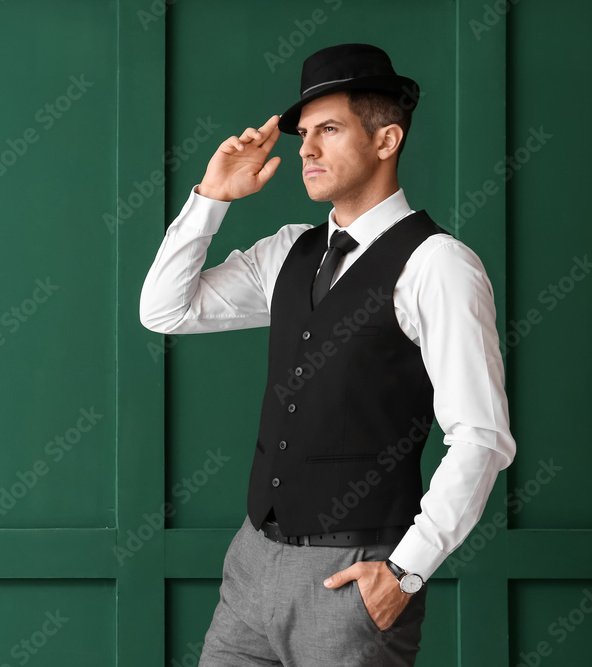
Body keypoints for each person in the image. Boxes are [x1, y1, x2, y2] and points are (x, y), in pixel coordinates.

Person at [139, 43, 516, 666]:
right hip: (252, 562)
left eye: (329, 130)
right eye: (303, 134)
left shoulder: (438, 264)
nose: (305, 150)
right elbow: (164, 310)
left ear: (387, 139)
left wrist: (406, 571)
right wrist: (212, 197)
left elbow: (481, 436)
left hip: (355, 572)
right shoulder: (289, 249)